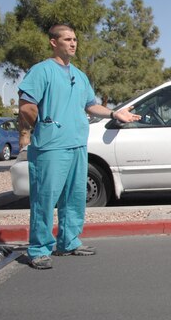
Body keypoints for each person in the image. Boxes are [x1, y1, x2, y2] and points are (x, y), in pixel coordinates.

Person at [17, 24, 140, 270]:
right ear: (54, 42)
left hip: (76, 145)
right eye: (67, 39)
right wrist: (41, 125)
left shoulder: (80, 75)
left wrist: (115, 113)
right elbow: (26, 106)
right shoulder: (41, 71)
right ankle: (39, 249)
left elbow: (91, 106)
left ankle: (68, 242)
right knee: (45, 198)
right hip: (50, 147)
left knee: (74, 197)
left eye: (75, 39)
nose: (73, 43)